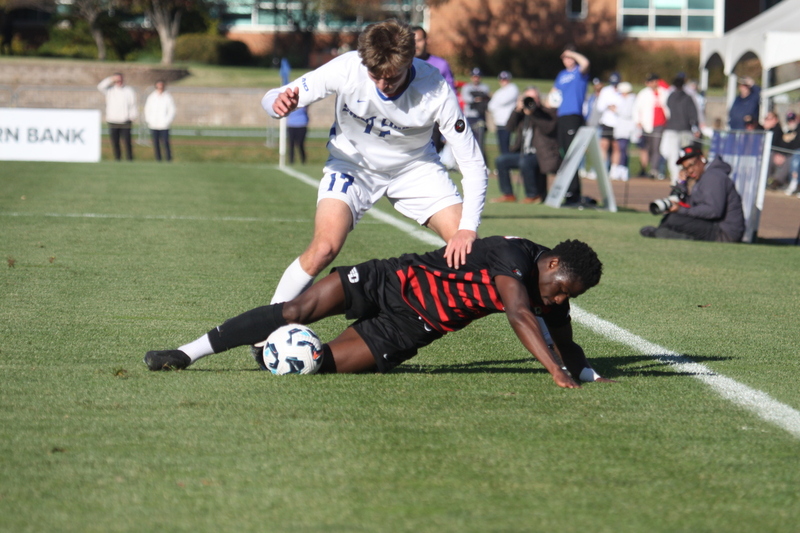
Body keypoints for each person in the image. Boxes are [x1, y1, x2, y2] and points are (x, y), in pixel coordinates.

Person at [144, 235, 611, 389]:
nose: (557, 300)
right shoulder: (514, 258)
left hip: (410, 326)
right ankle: (187, 353)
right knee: (295, 308)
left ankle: (270, 354)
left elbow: (564, 337)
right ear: (550, 263)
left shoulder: (552, 294)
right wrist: (554, 371)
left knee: (318, 364)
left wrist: (584, 371)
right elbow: (519, 315)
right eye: (559, 289)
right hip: (390, 281)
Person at [261, 20, 488, 308]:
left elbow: (473, 163)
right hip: (352, 167)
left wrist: (468, 227)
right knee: (324, 249)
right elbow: (272, 97)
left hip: (415, 168)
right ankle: (265, 325)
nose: (383, 85)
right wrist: (278, 104)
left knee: (470, 250)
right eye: (374, 76)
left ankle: (541, 330)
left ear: (409, 61)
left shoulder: (435, 88)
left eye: (391, 78)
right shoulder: (346, 67)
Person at [640, 145, 745, 242]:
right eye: (686, 168)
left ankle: (663, 233)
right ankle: (662, 233)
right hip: (716, 228)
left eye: (692, 164)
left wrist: (681, 210)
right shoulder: (704, 177)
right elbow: (692, 205)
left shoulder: (713, 176)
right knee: (672, 217)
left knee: (674, 219)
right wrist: (682, 184)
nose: (690, 170)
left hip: (724, 233)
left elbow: (713, 211)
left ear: (702, 159)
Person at [490, 87, 545, 203]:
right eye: (528, 98)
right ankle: (508, 194)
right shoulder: (521, 114)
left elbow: (548, 128)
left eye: (533, 98)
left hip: (540, 154)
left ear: (538, 99)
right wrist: (517, 110)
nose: (531, 101)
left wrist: (534, 113)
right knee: (501, 160)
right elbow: (509, 127)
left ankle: (532, 195)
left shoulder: (545, 113)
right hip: (522, 153)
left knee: (525, 162)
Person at [552, 45, 590, 204]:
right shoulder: (561, 75)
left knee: (572, 154)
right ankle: (566, 191)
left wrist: (572, 53)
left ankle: (574, 193)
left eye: (570, 57)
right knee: (564, 154)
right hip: (561, 116)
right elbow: (554, 94)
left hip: (574, 116)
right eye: (565, 58)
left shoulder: (579, 72)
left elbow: (586, 63)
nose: (567, 60)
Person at [412, 25, 456, 153]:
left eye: (419, 40)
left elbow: (451, 97)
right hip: (407, 122)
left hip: (432, 125)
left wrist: (449, 129)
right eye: (412, 41)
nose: (416, 45)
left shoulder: (441, 65)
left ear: (427, 41)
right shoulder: (401, 65)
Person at [660, 75, 699, 186]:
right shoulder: (688, 97)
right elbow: (693, 114)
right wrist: (695, 127)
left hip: (672, 129)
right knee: (685, 156)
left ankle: (675, 178)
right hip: (685, 130)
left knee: (673, 156)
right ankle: (683, 177)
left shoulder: (671, 96)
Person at [633, 73, 670, 179]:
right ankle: (645, 168)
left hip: (660, 124)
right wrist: (638, 120)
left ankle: (654, 169)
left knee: (656, 147)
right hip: (647, 124)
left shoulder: (663, 92)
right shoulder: (643, 93)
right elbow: (637, 108)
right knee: (647, 148)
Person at [97, 72, 138, 161]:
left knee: (127, 141)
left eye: (120, 79)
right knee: (115, 142)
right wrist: (111, 79)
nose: (119, 81)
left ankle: (129, 159)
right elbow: (100, 86)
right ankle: (117, 159)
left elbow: (133, 104)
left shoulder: (129, 90)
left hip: (125, 120)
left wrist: (132, 116)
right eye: (117, 80)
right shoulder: (110, 90)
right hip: (113, 120)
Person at [461, 67, 491, 163]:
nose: (476, 78)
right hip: (469, 117)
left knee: (480, 142)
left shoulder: (485, 87)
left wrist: (477, 98)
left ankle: (481, 162)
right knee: (468, 141)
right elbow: (467, 99)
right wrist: (476, 99)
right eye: (474, 76)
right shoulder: (466, 87)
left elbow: (485, 99)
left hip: (480, 117)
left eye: (478, 76)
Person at [488, 71, 519, 155]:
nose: (503, 81)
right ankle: (504, 167)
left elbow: (502, 101)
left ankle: (507, 166)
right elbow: (490, 106)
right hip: (499, 122)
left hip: (507, 122)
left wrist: (496, 103)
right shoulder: (500, 91)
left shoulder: (512, 88)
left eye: (505, 79)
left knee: (506, 145)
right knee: (501, 146)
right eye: (501, 79)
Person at [143, 79, 176, 162]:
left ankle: (168, 159)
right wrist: (149, 120)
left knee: (165, 142)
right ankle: (158, 159)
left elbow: (172, 110)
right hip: (153, 124)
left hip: (164, 124)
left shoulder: (168, 97)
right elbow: (147, 109)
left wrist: (167, 120)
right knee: (155, 143)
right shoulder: (152, 97)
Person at [610, 81, 636, 181]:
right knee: (621, 149)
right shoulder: (625, 100)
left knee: (623, 149)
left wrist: (615, 110)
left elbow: (627, 113)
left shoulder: (631, 100)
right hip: (621, 129)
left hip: (626, 129)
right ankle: (621, 169)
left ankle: (623, 169)